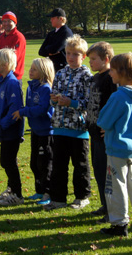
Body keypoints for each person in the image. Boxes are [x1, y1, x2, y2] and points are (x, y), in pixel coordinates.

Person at [97, 53, 132, 237]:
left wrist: (109, 126)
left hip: (117, 148)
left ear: (121, 72)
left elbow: (104, 120)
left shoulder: (119, 96)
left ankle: (119, 224)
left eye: (112, 70)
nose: (110, 74)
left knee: (116, 186)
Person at [45, 35, 92, 211]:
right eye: (68, 53)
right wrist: (55, 99)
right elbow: (53, 97)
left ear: (83, 56)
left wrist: (71, 103)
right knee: (58, 164)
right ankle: (58, 198)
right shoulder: (61, 73)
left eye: (75, 54)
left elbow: (88, 103)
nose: (71, 57)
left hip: (78, 128)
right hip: (59, 126)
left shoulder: (87, 76)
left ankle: (82, 196)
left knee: (80, 165)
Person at [12, 58, 55, 206]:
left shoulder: (45, 89)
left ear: (43, 72)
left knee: (45, 164)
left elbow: (42, 109)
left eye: (34, 69)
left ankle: (49, 193)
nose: (30, 71)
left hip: (46, 132)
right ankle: (40, 190)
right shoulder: (31, 87)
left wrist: (23, 112)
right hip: (36, 131)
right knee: (34, 163)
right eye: (31, 68)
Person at [85, 42, 117, 224]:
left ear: (106, 59)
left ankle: (112, 209)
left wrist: (110, 125)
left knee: (107, 173)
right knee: (98, 170)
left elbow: (114, 105)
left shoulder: (110, 79)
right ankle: (105, 205)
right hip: (94, 132)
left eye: (93, 59)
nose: (90, 62)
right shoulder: (95, 78)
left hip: (105, 134)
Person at [0, 49, 25, 206]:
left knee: (8, 161)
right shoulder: (2, 81)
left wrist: (4, 124)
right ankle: (11, 189)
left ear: (5, 64)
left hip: (11, 130)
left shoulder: (12, 82)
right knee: (5, 161)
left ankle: (17, 194)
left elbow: (15, 108)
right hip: (4, 130)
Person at [0, 12, 26, 81]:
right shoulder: (0, 37)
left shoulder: (18, 37)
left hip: (13, 77)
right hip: (0, 76)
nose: (6, 23)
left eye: (9, 21)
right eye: (4, 21)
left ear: (14, 22)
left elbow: (13, 58)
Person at [39, 8, 74, 73]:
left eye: (53, 18)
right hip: (51, 67)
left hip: (62, 68)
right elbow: (41, 52)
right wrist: (50, 50)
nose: (50, 20)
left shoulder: (66, 33)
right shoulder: (51, 33)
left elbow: (55, 49)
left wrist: (49, 49)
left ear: (60, 18)